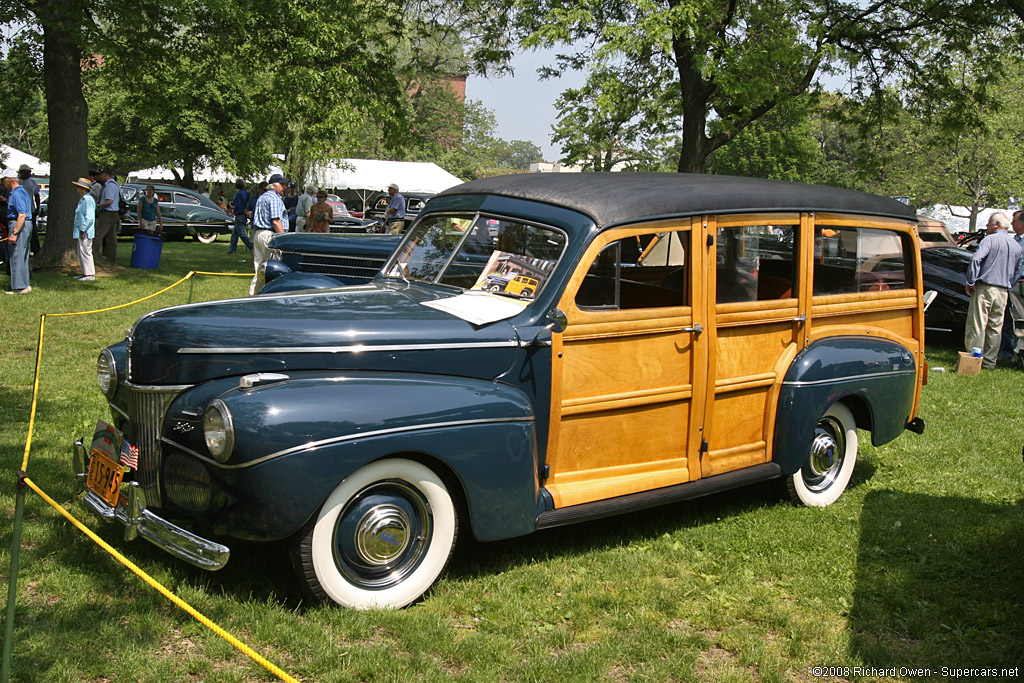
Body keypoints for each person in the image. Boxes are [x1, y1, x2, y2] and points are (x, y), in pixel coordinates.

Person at [964, 211, 1024, 369]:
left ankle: (973, 359)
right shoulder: (1016, 245)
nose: (986, 226)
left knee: (977, 324)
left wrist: (971, 280)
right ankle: (990, 362)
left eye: (989, 223)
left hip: (986, 286)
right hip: (1003, 290)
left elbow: (976, 259)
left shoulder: (989, 240)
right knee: (996, 327)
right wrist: (1010, 283)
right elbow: (1019, 269)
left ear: (996, 225)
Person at [249, 173, 289, 295]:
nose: (285, 187)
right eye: (282, 185)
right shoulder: (274, 198)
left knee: (259, 268)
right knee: (272, 269)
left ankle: (253, 295)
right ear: (275, 185)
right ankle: (268, 295)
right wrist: (283, 240)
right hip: (269, 235)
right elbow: (276, 221)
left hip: (258, 233)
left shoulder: (262, 197)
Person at [3, 168, 33, 294]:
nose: (2, 183)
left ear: (10, 179)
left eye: (3, 180)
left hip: (19, 224)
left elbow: (22, 214)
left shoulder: (17, 194)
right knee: (22, 255)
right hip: (23, 225)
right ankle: (25, 284)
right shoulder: (21, 192)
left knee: (16, 255)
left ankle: (19, 287)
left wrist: (14, 233)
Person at [1007, 211, 1024, 368]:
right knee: (1014, 320)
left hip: (1021, 284)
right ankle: (1014, 353)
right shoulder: (1016, 240)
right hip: (1014, 283)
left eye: (1014, 221)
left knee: (1021, 320)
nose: (1012, 224)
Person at [95, 168, 121, 265]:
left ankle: (95, 256)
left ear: (106, 174)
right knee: (111, 238)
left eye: (101, 175)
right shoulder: (115, 185)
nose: (100, 177)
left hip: (108, 213)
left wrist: (98, 205)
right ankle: (111, 259)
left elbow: (109, 201)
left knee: (98, 235)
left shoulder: (109, 186)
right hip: (114, 213)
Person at [72, 177, 97, 281]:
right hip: (81, 231)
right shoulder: (83, 200)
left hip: (86, 231)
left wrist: (83, 229)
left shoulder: (88, 200)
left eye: (78, 187)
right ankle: (85, 272)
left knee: (86, 251)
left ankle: (90, 274)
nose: (77, 189)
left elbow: (90, 217)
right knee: (81, 251)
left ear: (83, 189)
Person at [17, 164, 42, 255]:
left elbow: (36, 195)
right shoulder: (17, 182)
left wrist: (37, 207)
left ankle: (36, 249)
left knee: (33, 231)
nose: (30, 173)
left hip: (31, 210)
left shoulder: (32, 182)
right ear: (22, 172)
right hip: (19, 211)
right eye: (28, 172)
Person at [228, 179, 253, 254]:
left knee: (241, 233)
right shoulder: (246, 193)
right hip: (244, 214)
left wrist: (232, 207)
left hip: (240, 214)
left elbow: (237, 205)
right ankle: (232, 249)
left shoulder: (239, 194)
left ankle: (251, 246)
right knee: (234, 233)